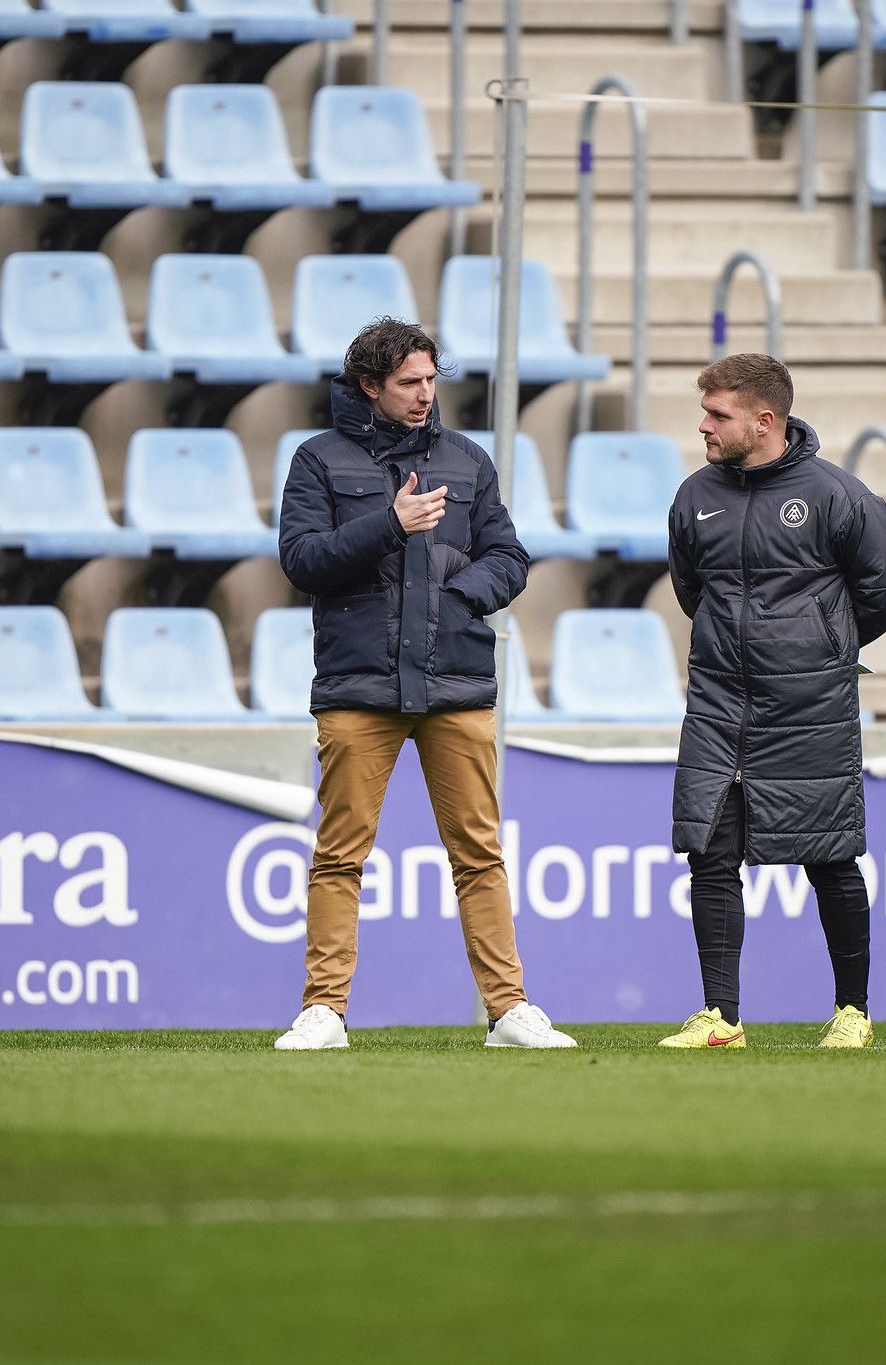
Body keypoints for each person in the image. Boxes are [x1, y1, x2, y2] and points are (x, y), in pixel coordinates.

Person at [272, 318, 576, 1051]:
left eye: (431, 380)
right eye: (409, 382)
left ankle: (509, 1011)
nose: (425, 394)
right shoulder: (316, 460)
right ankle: (324, 1011)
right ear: (370, 385)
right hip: (357, 687)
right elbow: (302, 561)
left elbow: (510, 554)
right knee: (340, 853)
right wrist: (390, 522)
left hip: (457, 684)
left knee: (479, 853)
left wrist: (464, 596)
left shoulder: (467, 460)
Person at [661, 354, 886, 1050]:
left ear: (764, 421)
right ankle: (721, 1018)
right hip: (717, 703)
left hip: (809, 703)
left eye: (718, 415)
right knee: (709, 852)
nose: (703, 426)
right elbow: (691, 591)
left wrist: (813, 647)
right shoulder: (694, 496)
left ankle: (852, 1013)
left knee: (829, 855)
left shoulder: (840, 495)